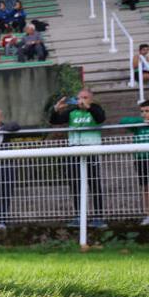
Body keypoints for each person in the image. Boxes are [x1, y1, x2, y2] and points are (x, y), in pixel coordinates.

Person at [50, 88, 107, 227]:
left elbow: (101, 119)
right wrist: (56, 109)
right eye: (79, 97)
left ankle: (98, 217)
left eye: (85, 97)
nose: (81, 100)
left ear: (91, 99)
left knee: (94, 184)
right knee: (75, 184)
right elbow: (55, 121)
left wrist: (89, 108)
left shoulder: (96, 109)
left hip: (91, 151)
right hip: (74, 151)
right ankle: (79, 216)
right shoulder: (72, 111)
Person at [119, 100, 149, 226]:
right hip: (142, 159)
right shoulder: (139, 125)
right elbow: (123, 121)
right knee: (146, 188)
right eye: (142, 111)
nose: (144, 114)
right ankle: (148, 214)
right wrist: (142, 122)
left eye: (147, 111)